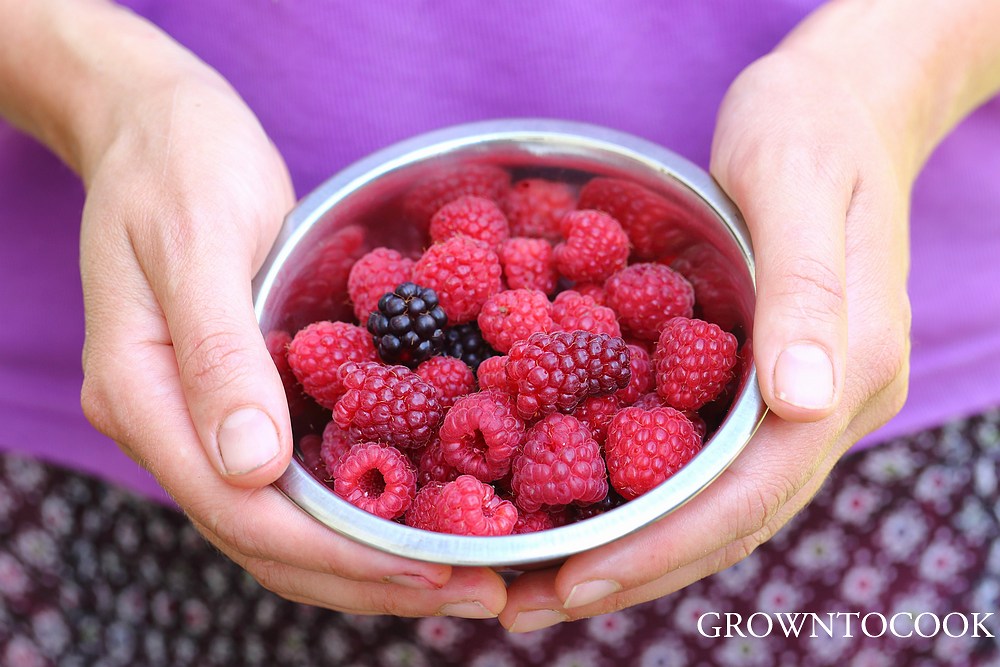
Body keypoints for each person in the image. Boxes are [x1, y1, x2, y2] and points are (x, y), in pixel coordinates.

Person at [1, 0, 998, 663]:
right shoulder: (447, 369)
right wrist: (104, 95)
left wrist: (881, 83)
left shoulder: (580, 362)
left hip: (864, 408)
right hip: (136, 436)